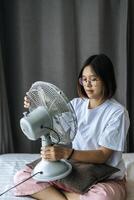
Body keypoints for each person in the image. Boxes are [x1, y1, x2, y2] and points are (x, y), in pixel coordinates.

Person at [14, 54, 130, 200]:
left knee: (102, 196)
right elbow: (50, 119)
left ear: (106, 80)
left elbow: (103, 155)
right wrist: (34, 105)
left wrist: (67, 153)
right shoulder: (76, 105)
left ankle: (60, 195)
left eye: (93, 79)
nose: (87, 85)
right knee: (22, 177)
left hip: (106, 177)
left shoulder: (117, 112)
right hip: (77, 170)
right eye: (84, 79)